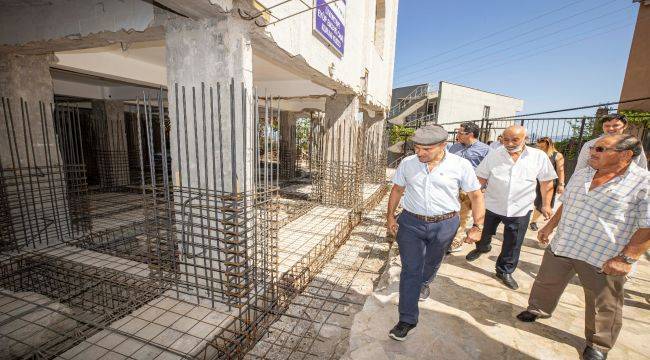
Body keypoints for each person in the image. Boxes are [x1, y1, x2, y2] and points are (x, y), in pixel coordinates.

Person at [517, 134, 649, 360]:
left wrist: (626, 258)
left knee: (603, 302)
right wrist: (549, 227)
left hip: (603, 255)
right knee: (546, 282)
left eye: (600, 149)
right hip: (564, 243)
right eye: (593, 148)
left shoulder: (643, 183)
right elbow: (568, 203)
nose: (592, 152)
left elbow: (647, 226)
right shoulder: (583, 172)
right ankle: (538, 309)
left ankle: (599, 343)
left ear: (626, 155)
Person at [386, 124, 485, 341]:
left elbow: (476, 195)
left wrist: (478, 226)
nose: (419, 153)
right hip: (411, 223)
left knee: (432, 262)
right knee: (410, 269)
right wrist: (390, 216)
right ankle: (407, 319)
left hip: (445, 224)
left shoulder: (461, 165)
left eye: (426, 149)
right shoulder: (408, 163)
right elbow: (397, 189)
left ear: (443, 145)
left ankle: (425, 283)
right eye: (417, 148)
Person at [465, 125, 557, 290]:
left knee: (513, 242)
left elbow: (546, 182)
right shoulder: (494, 155)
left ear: (525, 139)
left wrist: (546, 204)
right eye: (506, 139)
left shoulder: (538, 156)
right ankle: (483, 247)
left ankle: (504, 270)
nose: (509, 143)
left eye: (515, 139)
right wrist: (473, 198)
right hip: (492, 204)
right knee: (484, 232)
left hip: (521, 208)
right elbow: (480, 178)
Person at [447, 122, 491, 252]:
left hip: (471, 189)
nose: (457, 135)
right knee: (452, 214)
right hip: (453, 187)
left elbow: (491, 169)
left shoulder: (486, 150)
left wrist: (483, 187)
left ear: (470, 134)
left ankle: (456, 241)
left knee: (463, 215)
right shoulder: (454, 148)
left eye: (460, 133)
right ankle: (451, 239)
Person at [575, 113, 647, 171]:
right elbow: (580, 167)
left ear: (625, 126)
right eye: (607, 126)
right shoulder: (590, 144)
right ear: (602, 127)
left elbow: (642, 166)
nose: (611, 128)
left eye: (615, 125)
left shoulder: (634, 145)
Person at [529, 137, 565, 231]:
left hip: (549, 184)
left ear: (548, 144)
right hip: (536, 181)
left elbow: (560, 171)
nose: (539, 147)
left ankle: (534, 221)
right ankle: (533, 220)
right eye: (538, 145)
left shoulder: (557, 155)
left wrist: (561, 184)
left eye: (542, 145)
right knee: (537, 201)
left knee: (542, 202)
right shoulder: (537, 154)